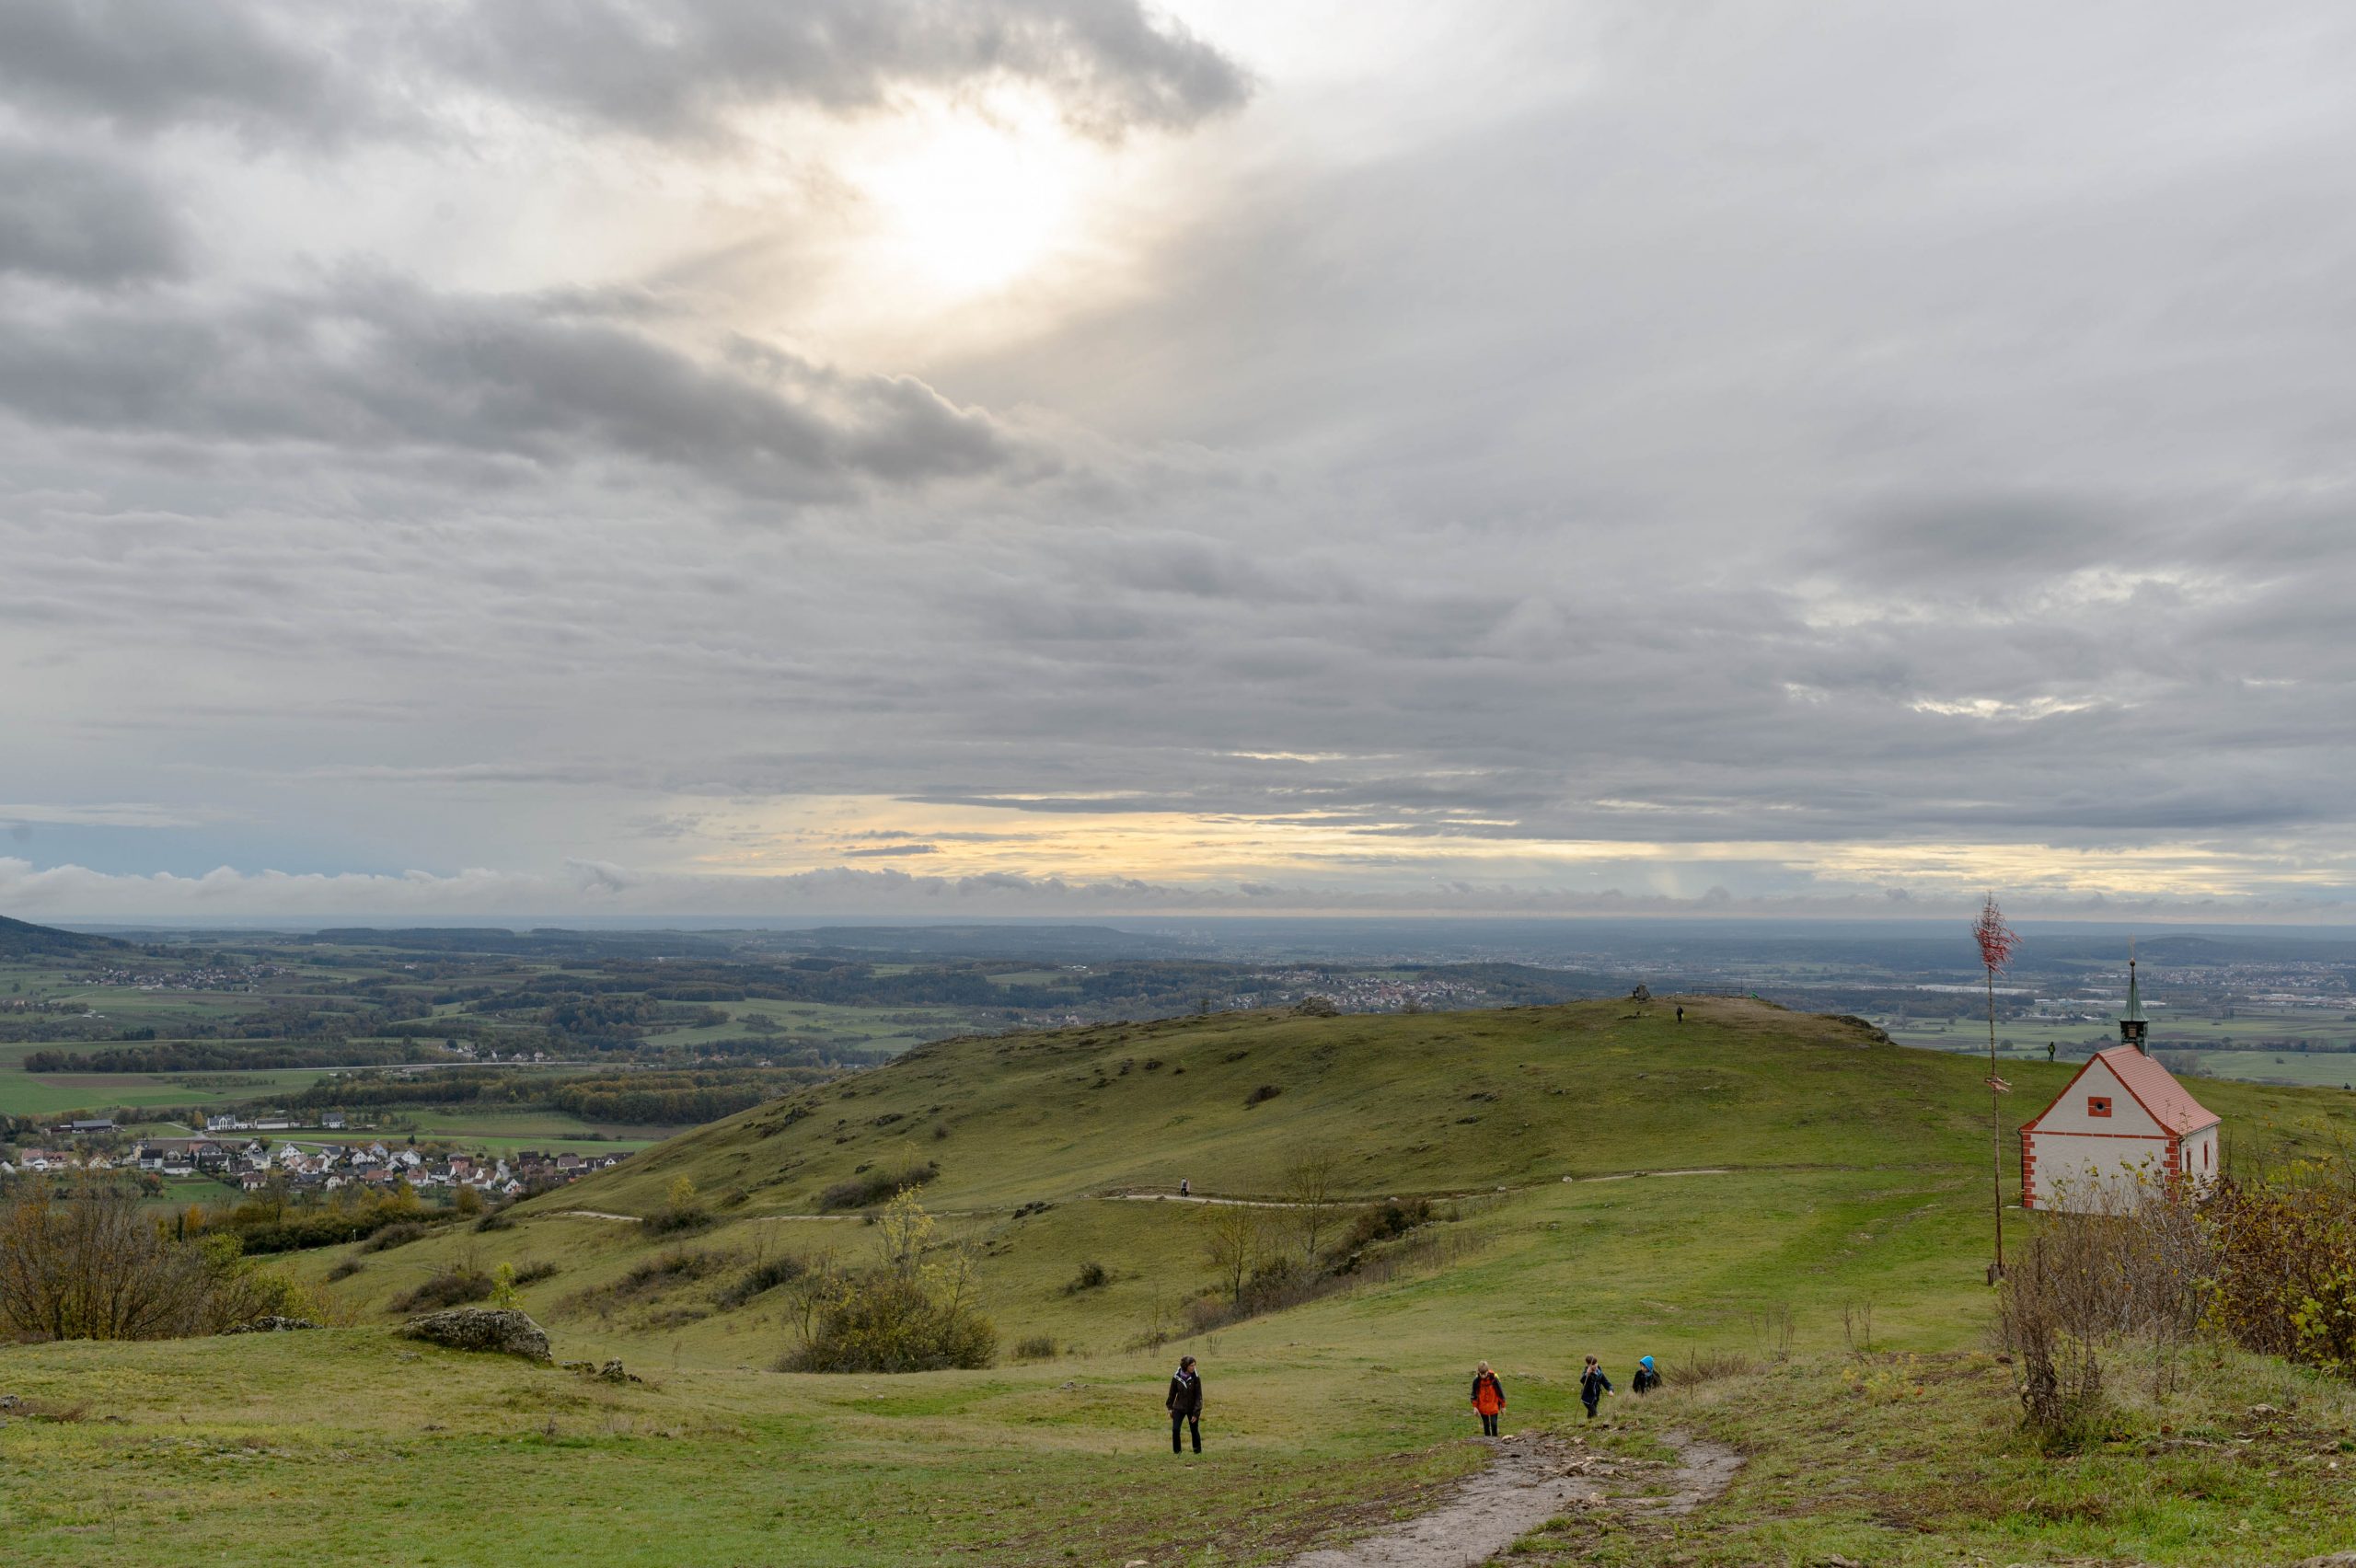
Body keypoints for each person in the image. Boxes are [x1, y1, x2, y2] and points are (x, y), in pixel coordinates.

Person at [1167, 1355, 1204, 1454]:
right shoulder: (1176, 1377)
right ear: (1185, 1366)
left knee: (1194, 1430)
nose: (1193, 1367)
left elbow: (1199, 1396)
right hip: (1179, 1407)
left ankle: (1197, 1452)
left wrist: (1196, 1413)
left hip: (1192, 1408)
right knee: (1175, 1429)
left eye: (1194, 1365)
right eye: (1191, 1365)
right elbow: (1172, 1393)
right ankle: (1177, 1452)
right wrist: (1170, 1408)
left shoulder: (1196, 1378)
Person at [1470, 1361, 1507, 1437]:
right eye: (1481, 1374)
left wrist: (1503, 1406)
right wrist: (1475, 1407)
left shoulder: (1494, 1379)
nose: (1483, 1376)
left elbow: (1500, 1393)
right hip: (1482, 1406)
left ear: (1488, 1371)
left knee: (1494, 1424)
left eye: (1485, 1374)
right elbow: (1474, 1394)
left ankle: (1495, 1439)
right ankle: (1488, 1441)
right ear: (1478, 1372)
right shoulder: (1476, 1381)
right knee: (1486, 1425)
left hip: (1493, 1405)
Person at [1579, 1355, 1613, 1420]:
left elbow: (1606, 1383)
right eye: (1592, 1364)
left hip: (1595, 1397)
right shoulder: (1587, 1373)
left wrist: (1610, 1390)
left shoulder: (1599, 1373)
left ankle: (1588, 1424)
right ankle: (1594, 1421)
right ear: (1588, 1365)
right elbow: (1582, 1380)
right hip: (1587, 1398)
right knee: (1595, 1414)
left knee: (1590, 1415)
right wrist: (1587, 1374)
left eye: (1596, 1363)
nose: (1595, 1365)